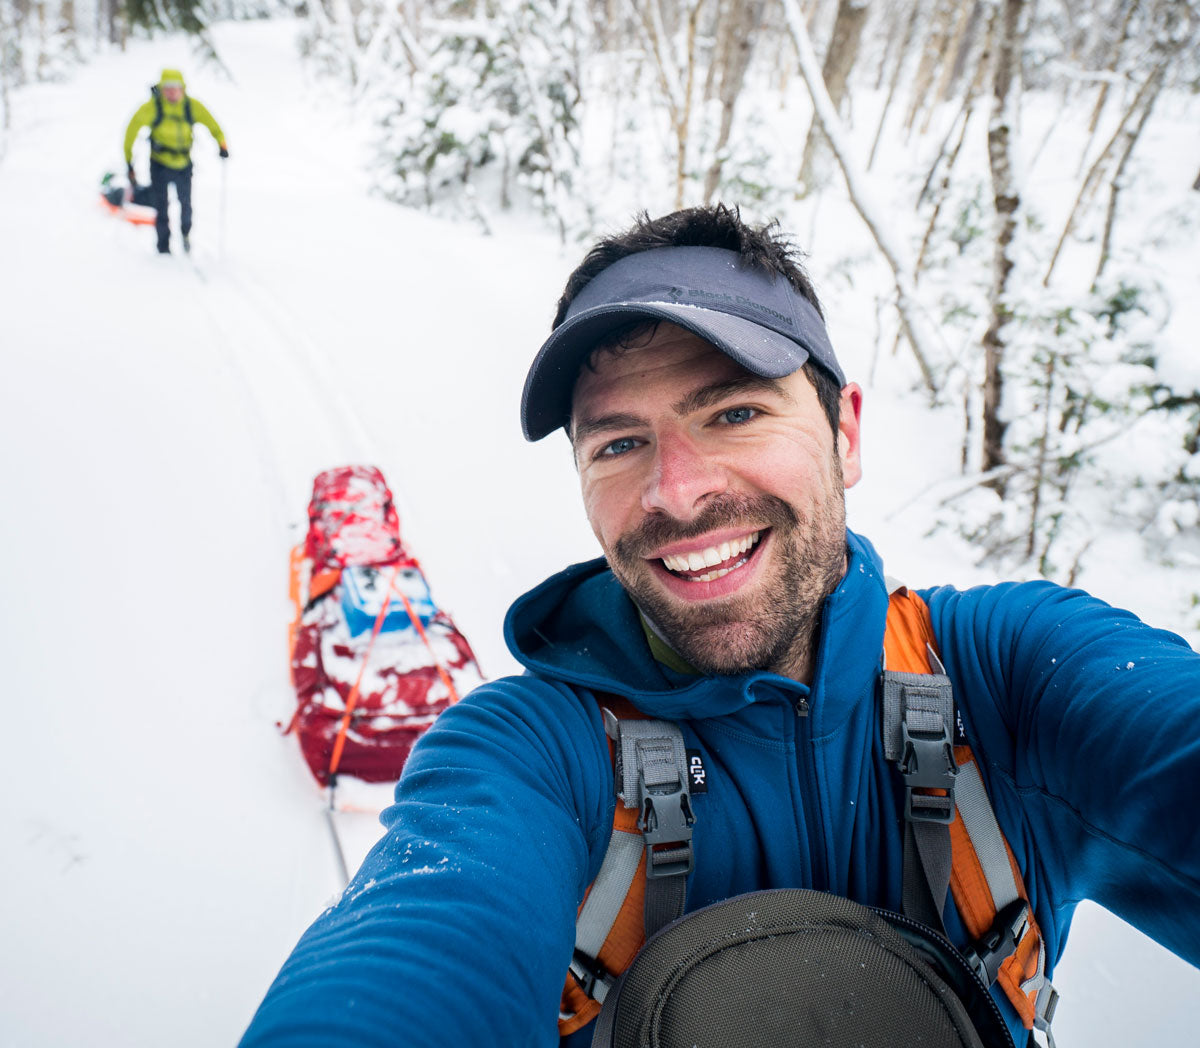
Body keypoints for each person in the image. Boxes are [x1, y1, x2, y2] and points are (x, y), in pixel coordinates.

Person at [240, 205, 1200, 1047]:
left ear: (846, 432)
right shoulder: (529, 754)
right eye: (620, 442)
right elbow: (423, 941)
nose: (676, 492)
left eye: (735, 411)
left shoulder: (1015, 677)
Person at [122, 68, 228, 255]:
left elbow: (213, 124)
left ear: (183, 89)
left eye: (175, 88)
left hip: (183, 164)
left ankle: (185, 234)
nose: (171, 92)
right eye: (167, 88)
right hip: (159, 163)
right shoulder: (152, 108)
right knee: (161, 206)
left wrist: (222, 144)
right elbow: (131, 132)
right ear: (161, 89)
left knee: (185, 204)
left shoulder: (191, 106)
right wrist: (129, 162)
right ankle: (163, 247)